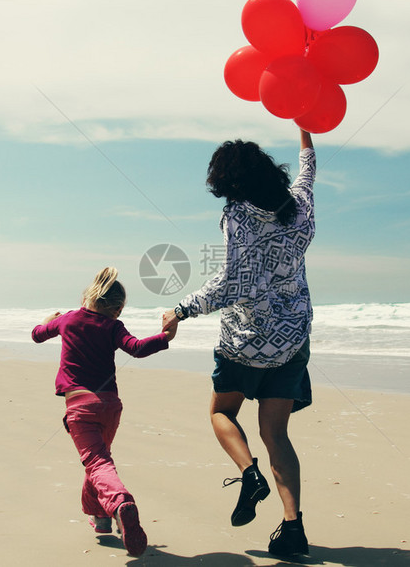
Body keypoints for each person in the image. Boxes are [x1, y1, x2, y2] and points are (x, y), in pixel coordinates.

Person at [163, 128, 316, 558]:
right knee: (277, 434)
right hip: (291, 340)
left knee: (221, 412)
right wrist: (304, 130)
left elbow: (232, 282)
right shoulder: (300, 205)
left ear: (228, 182)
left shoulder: (239, 215)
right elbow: (308, 171)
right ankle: (293, 529)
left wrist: (182, 309)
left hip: (244, 341)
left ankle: (249, 474)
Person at [32, 267, 176, 557]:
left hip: (81, 407)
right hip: (110, 407)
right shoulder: (112, 327)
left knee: (97, 464)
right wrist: (165, 335)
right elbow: (136, 348)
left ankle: (120, 503)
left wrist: (47, 321)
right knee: (99, 461)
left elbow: (37, 335)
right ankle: (100, 519)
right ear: (118, 308)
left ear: (88, 294)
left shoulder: (67, 320)